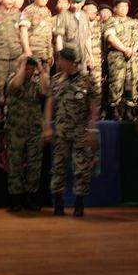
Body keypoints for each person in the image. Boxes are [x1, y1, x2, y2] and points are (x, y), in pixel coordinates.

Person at [45, 48, 100, 217]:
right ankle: (58, 203)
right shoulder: (56, 80)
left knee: (81, 169)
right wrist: (47, 126)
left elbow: (94, 107)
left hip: (80, 132)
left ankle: (79, 203)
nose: (59, 63)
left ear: (70, 62)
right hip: (62, 132)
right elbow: (50, 104)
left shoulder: (87, 81)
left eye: (61, 60)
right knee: (58, 167)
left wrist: (92, 129)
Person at [6, 54, 49, 212]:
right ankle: (15, 198)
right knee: (15, 164)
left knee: (34, 164)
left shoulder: (35, 83)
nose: (29, 71)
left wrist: (41, 69)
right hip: (16, 129)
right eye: (27, 68)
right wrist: (23, 64)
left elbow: (45, 91)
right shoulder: (12, 78)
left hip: (34, 130)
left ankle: (30, 196)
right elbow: (16, 85)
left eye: (31, 69)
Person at [104, 0, 138, 120]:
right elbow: (111, 38)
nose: (124, 9)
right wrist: (125, 49)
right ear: (115, 8)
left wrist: (133, 50)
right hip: (117, 57)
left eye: (126, 6)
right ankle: (114, 110)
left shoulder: (133, 22)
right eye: (121, 6)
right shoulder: (111, 21)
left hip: (132, 56)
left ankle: (129, 110)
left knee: (132, 83)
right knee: (116, 83)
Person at [54, 0, 91, 73]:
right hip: (68, 59)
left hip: (81, 58)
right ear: (70, 1)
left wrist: (91, 56)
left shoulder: (85, 16)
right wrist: (61, 57)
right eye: (73, 2)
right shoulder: (63, 16)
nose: (75, 5)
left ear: (83, 2)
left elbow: (87, 38)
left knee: (82, 80)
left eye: (78, 3)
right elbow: (59, 38)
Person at [20, 0, 54, 67]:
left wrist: (51, 52)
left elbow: (49, 33)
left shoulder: (48, 12)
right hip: (33, 53)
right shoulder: (28, 10)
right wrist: (27, 51)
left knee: (45, 75)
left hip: (46, 54)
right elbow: (23, 32)